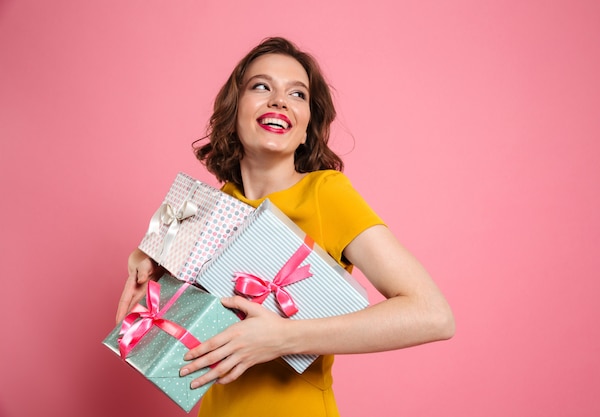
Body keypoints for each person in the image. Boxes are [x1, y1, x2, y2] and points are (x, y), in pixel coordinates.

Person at [116, 37, 455, 417]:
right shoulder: (211, 208)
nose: (279, 100)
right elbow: (175, 339)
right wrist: (152, 253)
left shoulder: (327, 194)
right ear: (234, 109)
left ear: (307, 125)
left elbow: (433, 315)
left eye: (297, 94)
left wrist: (282, 338)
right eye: (261, 86)